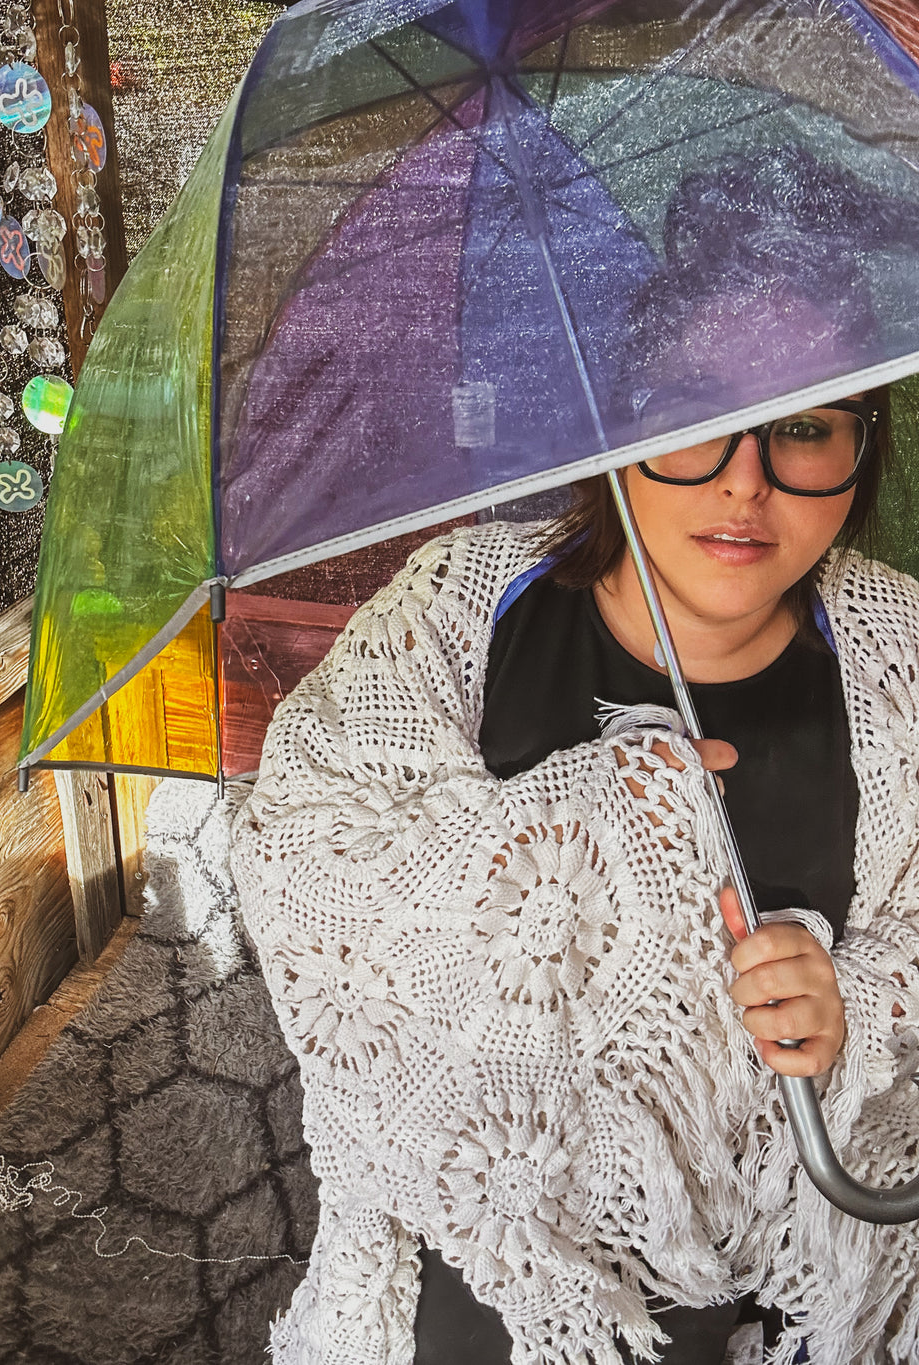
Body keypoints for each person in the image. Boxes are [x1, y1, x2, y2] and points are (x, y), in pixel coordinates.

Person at [229, 153, 919, 1364]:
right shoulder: (456, 609)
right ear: (618, 424)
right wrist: (597, 824)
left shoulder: (900, 654)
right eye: (693, 417)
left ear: (861, 449)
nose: (743, 484)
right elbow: (305, 867)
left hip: (778, 1266)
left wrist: (851, 1002)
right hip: (488, 1247)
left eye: (803, 427)